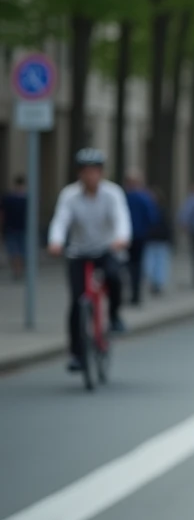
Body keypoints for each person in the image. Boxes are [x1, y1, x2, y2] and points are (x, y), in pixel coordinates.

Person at [48, 149, 132, 371]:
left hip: (106, 249)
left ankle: (113, 315)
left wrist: (121, 238)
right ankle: (77, 354)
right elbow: (61, 220)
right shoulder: (69, 195)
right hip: (78, 251)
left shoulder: (112, 193)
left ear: (101, 173)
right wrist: (55, 241)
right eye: (86, 171)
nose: (91, 176)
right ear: (80, 174)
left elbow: (121, 218)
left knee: (114, 278)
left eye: (95, 171)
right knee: (77, 302)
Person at [123, 169, 157, 305]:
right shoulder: (144, 197)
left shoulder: (124, 197)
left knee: (128, 265)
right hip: (139, 235)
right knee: (137, 265)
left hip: (125, 236)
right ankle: (136, 294)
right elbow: (152, 217)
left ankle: (131, 292)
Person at [1, 175, 28, 281]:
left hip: (11, 228)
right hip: (20, 228)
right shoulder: (26, 198)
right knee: (20, 251)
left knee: (15, 251)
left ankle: (17, 270)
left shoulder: (8, 197)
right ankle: (18, 270)